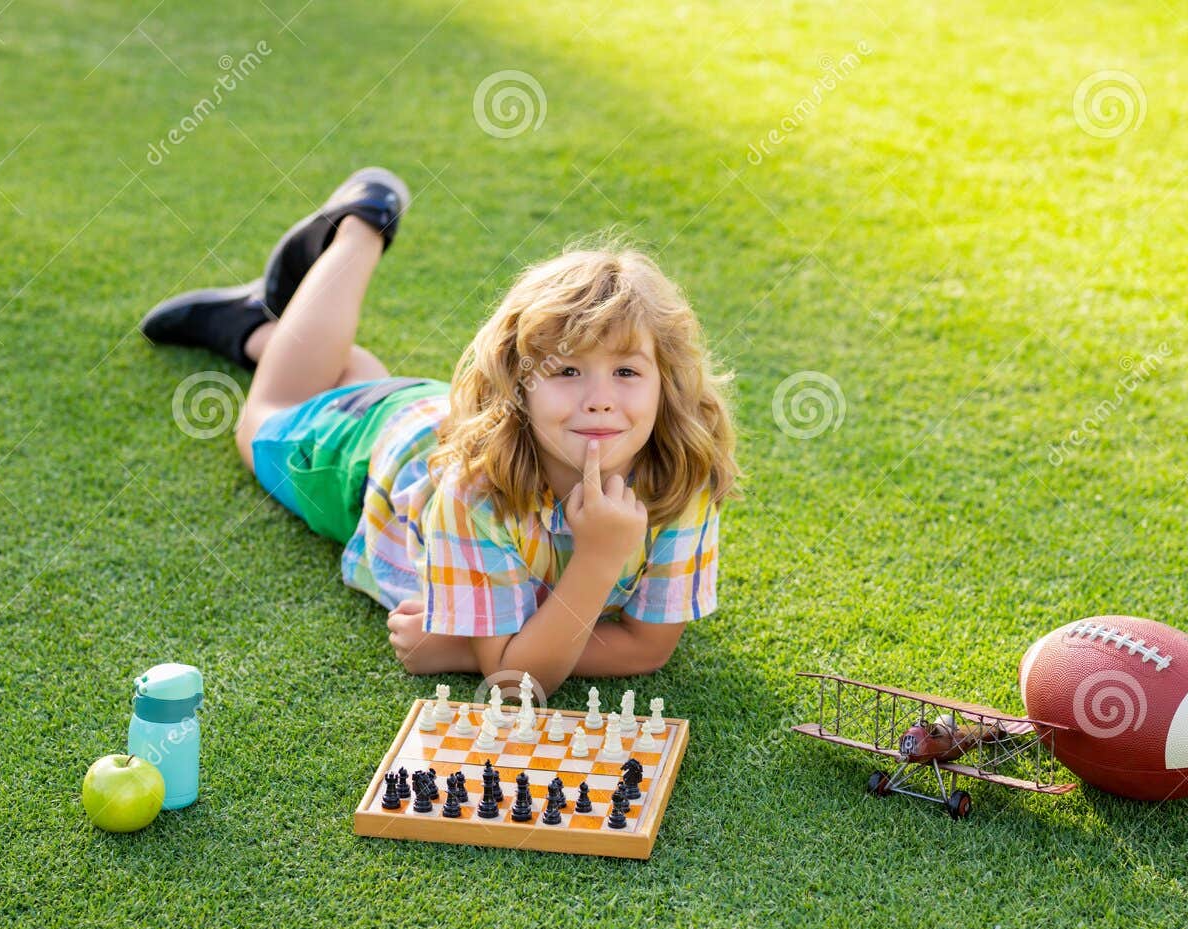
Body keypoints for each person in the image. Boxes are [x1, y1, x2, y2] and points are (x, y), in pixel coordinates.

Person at [139, 167, 740, 696]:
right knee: (265, 418)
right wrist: (598, 560)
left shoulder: (679, 477)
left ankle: (270, 324)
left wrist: (464, 649)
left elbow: (645, 649)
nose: (600, 401)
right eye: (567, 370)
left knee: (348, 376)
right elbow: (516, 677)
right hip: (376, 454)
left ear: (668, 386)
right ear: (518, 384)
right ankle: (361, 224)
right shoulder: (475, 491)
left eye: (627, 371)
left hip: (432, 415)